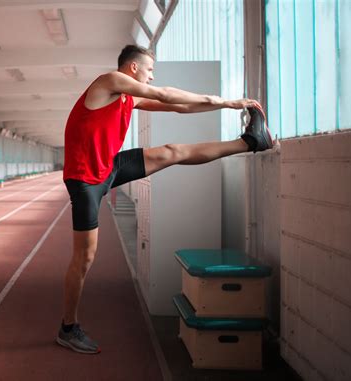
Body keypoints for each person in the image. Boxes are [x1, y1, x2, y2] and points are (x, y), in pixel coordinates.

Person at [56, 45, 273, 354]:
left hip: (109, 168)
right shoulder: (109, 82)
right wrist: (228, 102)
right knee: (85, 258)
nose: (152, 75)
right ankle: (68, 327)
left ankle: (249, 142)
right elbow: (167, 94)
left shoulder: (128, 97)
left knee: (172, 152)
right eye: (149, 70)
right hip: (84, 181)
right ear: (133, 68)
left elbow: (179, 106)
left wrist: (220, 105)